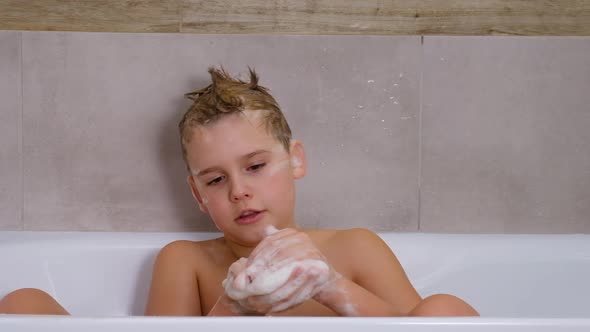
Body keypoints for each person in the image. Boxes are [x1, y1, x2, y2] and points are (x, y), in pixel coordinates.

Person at [144, 67, 479, 317]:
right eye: (215, 180)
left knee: (444, 309)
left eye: (255, 167)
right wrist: (233, 306)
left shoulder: (355, 248)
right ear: (197, 193)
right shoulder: (187, 262)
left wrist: (330, 286)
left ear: (295, 160)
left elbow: (415, 326)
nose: (239, 191)